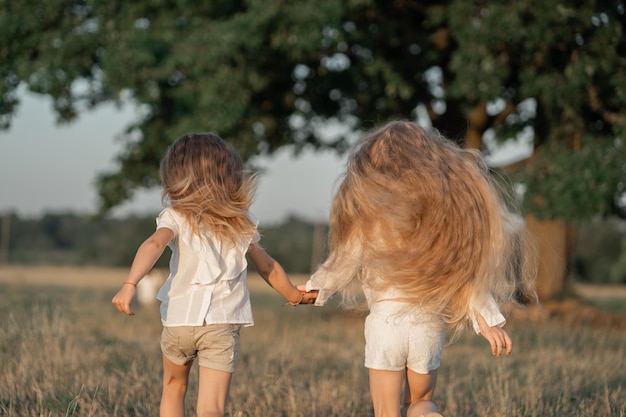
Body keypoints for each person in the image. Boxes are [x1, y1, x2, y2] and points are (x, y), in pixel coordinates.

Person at [302, 121, 536, 417]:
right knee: (420, 402)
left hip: (385, 325)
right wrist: (488, 321)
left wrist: (313, 290)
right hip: (427, 325)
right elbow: (463, 276)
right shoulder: (438, 229)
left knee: (387, 411)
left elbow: (340, 265)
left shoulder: (368, 226)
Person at [112, 133, 315, 417]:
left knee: (173, 388)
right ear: (229, 175)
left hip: (179, 321)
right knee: (212, 407)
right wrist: (295, 296)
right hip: (221, 323)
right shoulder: (240, 221)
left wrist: (129, 283)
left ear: (174, 176)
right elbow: (267, 266)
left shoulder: (175, 216)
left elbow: (154, 244)